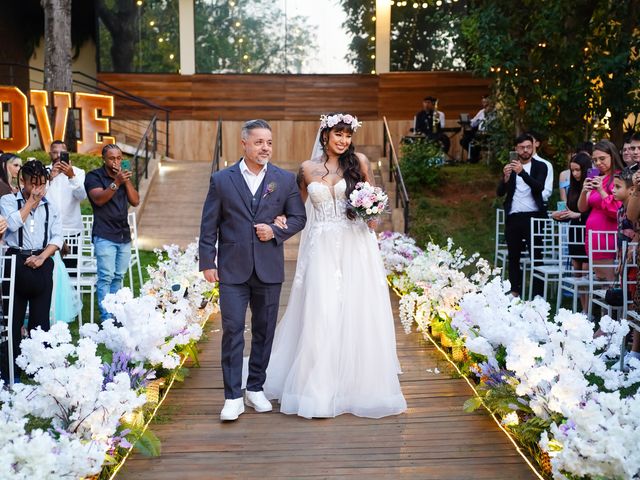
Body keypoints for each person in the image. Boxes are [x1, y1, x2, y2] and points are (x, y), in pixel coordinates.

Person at [262, 113, 407, 419]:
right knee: (322, 308)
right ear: (325, 135)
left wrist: (372, 213)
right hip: (320, 248)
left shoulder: (360, 164)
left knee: (355, 308)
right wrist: (279, 223)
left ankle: (355, 383)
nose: (343, 141)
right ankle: (317, 387)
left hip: (355, 244)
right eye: (338, 134)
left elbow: (375, 210)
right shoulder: (306, 169)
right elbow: (296, 211)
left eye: (348, 136)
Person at [199, 119, 306, 422]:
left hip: (269, 268)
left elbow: (299, 218)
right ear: (244, 143)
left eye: (269, 142)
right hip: (232, 269)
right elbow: (209, 224)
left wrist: (274, 231)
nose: (265, 148)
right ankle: (232, 396)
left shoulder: (283, 180)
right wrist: (208, 261)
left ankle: (255, 387)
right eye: (259, 142)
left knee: (264, 330)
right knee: (233, 330)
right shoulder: (222, 179)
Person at [0, 160, 62, 382]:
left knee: (40, 320)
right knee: (13, 321)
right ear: (22, 181)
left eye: (42, 184)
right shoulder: (8, 201)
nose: (38, 190)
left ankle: (38, 371)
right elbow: (12, 225)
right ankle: (10, 370)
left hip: (42, 261)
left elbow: (57, 237)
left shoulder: (50, 206)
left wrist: (43, 257)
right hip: (15, 261)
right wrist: (29, 204)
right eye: (33, 184)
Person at [85, 144, 140, 321]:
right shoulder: (94, 176)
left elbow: (135, 201)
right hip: (104, 234)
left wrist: (126, 181)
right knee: (106, 277)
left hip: (123, 234)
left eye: (118, 158)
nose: (116, 161)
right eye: (112, 158)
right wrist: (116, 182)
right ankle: (106, 317)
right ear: (104, 159)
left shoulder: (124, 178)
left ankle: (116, 314)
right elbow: (99, 199)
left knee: (118, 276)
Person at [497, 133, 548, 298]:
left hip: (534, 216)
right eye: (522, 147)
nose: (525, 150)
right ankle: (514, 291)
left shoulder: (541, 166)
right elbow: (499, 193)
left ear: (533, 147)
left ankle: (537, 295)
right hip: (514, 216)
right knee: (514, 256)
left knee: (537, 256)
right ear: (516, 149)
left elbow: (539, 187)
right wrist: (505, 178)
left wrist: (522, 173)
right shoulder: (510, 167)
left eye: (528, 147)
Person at [577, 139, 624, 283]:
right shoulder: (597, 178)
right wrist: (584, 191)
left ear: (612, 156)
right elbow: (582, 208)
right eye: (595, 159)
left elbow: (617, 210)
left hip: (607, 235)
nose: (598, 163)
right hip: (592, 235)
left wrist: (601, 190)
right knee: (601, 280)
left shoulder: (618, 177)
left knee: (610, 281)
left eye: (602, 158)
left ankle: (609, 306)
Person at [551, 152, 592, 311]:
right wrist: (557, 216)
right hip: (574, 232)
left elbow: (595, 212)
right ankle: (584, 309)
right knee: (577, 273)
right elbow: (569, 212)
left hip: (588, 232)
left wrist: (579, 215)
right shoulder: (573, 188)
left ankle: (591, 308)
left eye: (577, 170)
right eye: (572, 170)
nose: (574, 174)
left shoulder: (591, 185)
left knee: (586, 271)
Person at [46, 140, 87, 271]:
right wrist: (50, 178)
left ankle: (71, 292)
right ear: (49, 154)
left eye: (61, 153)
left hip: (71, 229)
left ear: (67, 154)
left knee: (71, 269)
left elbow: (81, 196)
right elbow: (37, 197)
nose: (58, 155)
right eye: (55, 152)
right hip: (48, 229)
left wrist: (71, 176)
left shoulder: (78, 172)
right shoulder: (43, 171)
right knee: (48, 267)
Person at [460, 95, 494, 163]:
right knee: (464, 140)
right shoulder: (481, 112)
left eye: (486, 103)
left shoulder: (495, 113)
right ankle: (475, 157)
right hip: (479, 133)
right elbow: (473, 123)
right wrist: (467, 122)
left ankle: (474, 158)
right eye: (483, 102)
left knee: (472, 138)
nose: (484, 105)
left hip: (490, 134)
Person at [525, 131, 554, 206]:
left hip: (537, 205)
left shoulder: (546, 165)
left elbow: (547, 190)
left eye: (530, 140)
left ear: (537, 144)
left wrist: (532, 199)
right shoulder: (517, 164)